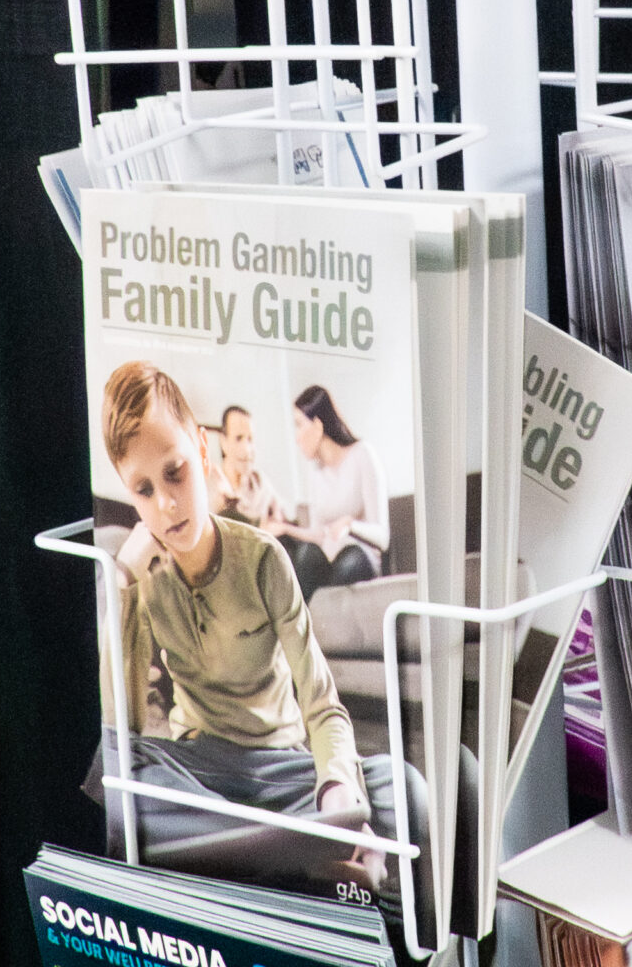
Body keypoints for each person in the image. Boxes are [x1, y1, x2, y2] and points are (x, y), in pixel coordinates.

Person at [86, 361, 424, 908]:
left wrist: (337, 790)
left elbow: (322, 705)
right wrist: (121, 582)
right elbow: (120, 727)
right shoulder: (143, 581)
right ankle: (297, 853)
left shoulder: (264, 558)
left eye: (175, 473)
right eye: (144, 490)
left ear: (202, 452)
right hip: (202, 769)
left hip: (280, 765)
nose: (166, 504)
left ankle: (242, 854)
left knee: (403, 789)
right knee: (110, 766)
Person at [277, 384, 390, 597]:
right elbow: (318, 534)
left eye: (299, 425)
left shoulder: (362, 454)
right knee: (307, 555)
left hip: (359, 557)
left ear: (318, 426)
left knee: (347, 563)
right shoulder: (315, 472)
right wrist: (285, 529)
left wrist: (350, 525)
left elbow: (382, 538)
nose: (297, 437)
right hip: (329, 559)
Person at [209, 403, 290, 532]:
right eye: (238, 438)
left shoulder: (259, 482)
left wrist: (277, 515)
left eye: (250, 439)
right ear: (223, 442)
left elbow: (282, 515)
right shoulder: (210, 486)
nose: (247, 450)